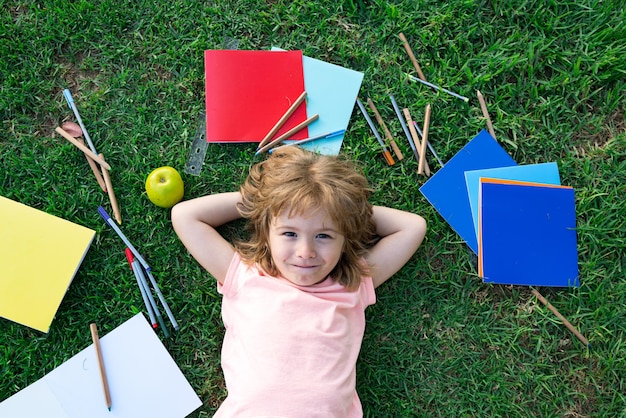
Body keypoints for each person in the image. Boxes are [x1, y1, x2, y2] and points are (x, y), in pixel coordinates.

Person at [172, 146, 426, 417]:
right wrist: (265, 201)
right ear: (266, 232)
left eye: (324, 236)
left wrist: (345, 207)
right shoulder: (245, 277)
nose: (306, 252)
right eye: (290, 233)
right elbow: (186, 216)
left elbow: (412, 227)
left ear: (344, 241)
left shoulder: (350, 285)